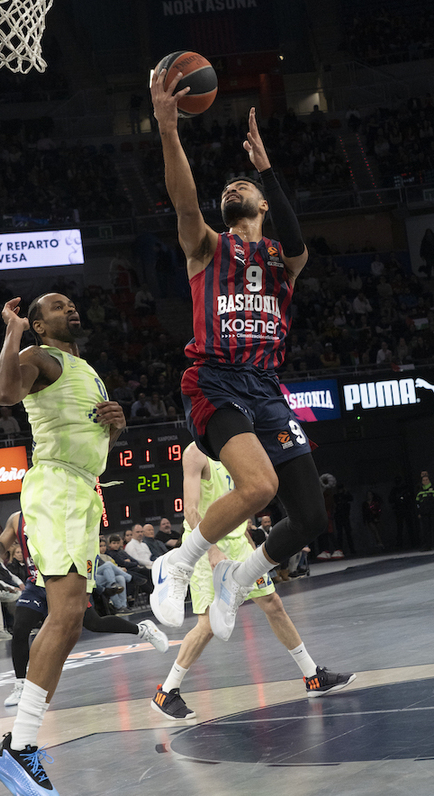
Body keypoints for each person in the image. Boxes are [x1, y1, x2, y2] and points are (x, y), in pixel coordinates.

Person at [149, 71, 326, 639]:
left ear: (263, 203)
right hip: (215, 380)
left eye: (241, 186)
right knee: (258, 488)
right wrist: (169, 130)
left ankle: (240, 577)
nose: (232, 189)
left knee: (312, 517)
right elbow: (182, 199)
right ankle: (177, 564)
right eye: (226, 188)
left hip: (266, 387)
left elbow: (299, 243)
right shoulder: (207, 246)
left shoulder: (282, 258)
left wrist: (266, 167)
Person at [0, 292, 127, 796]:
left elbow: (96, 445)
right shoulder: (37, 355)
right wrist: (13, 330)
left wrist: (116, 426)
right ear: (39, 325)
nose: (70, 309)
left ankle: (20, 745)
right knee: (65, 617)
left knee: (68, 624)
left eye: (70, 304)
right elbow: (3, 393)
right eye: (57, 306)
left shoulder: (86, 369)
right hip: (56, 488)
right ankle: (20, 749)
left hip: (82, 490)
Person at [151, 444, 355, 718]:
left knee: (273, 604)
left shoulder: (233, 447)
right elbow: (190, 510)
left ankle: (312, 676)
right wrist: (211, 549)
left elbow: (240, 500)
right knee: (208, 624)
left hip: (237, 543)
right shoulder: (195, 453)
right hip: (204, 546)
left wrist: (247, 540)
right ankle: (167, 691)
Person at [0, 510, 168, 709]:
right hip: (37, 583)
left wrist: (85, 581)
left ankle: (143, 630)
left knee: (93, 623)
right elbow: (0, 551)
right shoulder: (16, 518)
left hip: (63, 581)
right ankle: (20, 685)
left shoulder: (56, 508)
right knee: (20, 628)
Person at [415, 473, 434, 551]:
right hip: (424, 513)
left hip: (433, 512)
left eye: (427, 480)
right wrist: (418, 513)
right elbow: (417, 503)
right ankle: (427, 546)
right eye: (424, 480)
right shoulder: (419, 491)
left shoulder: (433, 489)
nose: (425, 481)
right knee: (426, 530)